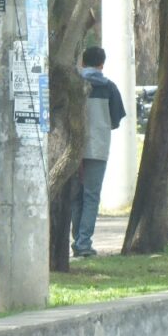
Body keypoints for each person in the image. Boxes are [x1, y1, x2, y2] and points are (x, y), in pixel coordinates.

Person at [71, 46, 126, 257]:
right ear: (102, 64)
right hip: (98, 146)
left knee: (76, 196)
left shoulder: (74, 85)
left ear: (82, 63)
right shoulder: (109, 87)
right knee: (91, 196)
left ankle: (77, 238)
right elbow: (115, 120)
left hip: (73, 148)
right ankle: (84, 243)